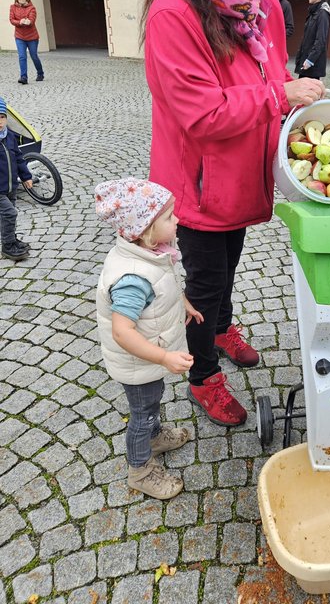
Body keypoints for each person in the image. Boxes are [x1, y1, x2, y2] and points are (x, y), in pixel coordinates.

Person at [142, 0, 325, 427]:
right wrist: (279, 98)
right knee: (204, 284)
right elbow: (201, 114)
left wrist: (295, 113)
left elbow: (272, 69)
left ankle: (222, 329)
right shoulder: (173, 15)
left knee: (231, 265)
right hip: (197, 185)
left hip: (245, 172)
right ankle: (203, 376)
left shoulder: (261, 2)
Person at [95, 177, 204, 499]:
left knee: (152, 402)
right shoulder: (132, 278)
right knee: (143, 414)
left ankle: (155, 438)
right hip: (138, 362)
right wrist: (164, 357)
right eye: (169, 217)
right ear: (144, 230)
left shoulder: (149, 253)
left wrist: (182, 302)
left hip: (146, 360)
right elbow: (122, 331)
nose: (177, 220)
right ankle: (140, 469)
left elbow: (163, 284)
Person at [0, 96, 33, 262]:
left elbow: (19, 158)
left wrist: (26, 176)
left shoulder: (10, 136)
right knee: (10, 213)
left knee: (8, 215)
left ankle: (11, 239)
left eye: (2, 117)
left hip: (11, 186)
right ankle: (7, 246)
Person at [294, 0, 330, 79]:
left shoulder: (322, 13)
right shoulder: (314, 12)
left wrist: (310, 60)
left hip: (312, 66)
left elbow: (321, 40)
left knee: (309, 88)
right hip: (305, 62)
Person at [9, 0, 45, 85]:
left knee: (34, 56)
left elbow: (32, 19)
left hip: (32, 37)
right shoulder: (12, 7)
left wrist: (29, 21)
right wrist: (19, 22)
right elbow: (12, 20)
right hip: (19, 37)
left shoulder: (32, 8)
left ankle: (40, 73)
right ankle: (23, 77)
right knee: (22, 56)